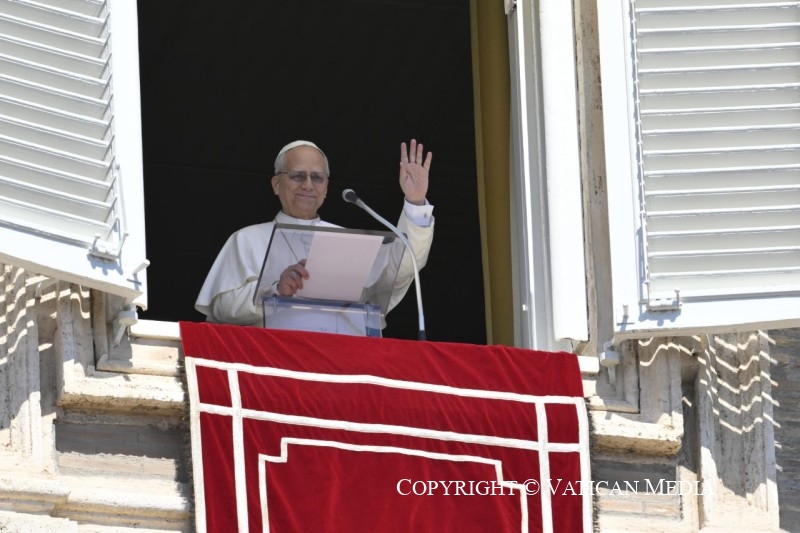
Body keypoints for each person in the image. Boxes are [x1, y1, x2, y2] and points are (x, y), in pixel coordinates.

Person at [195, 139, 434, 329]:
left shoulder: (349, 241)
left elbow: (402, 266)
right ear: (276, 184)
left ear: (326, 188)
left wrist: (415, 201)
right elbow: (221, 309)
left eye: (317, 178)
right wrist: (276, 290)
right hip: (274, 363)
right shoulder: (246, 239)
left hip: (342, 363)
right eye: (298, 175)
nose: (308, 185)